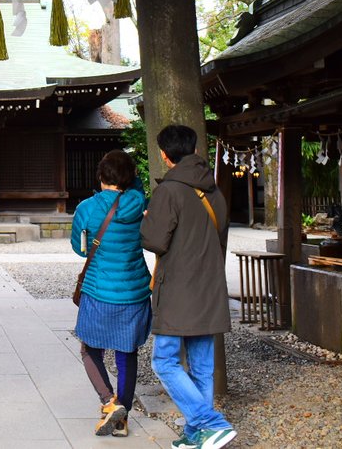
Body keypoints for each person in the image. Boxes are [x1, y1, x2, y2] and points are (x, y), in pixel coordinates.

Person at [141, 125, 236, 449]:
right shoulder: (214, 191)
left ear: (165, 155)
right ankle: (197, 436)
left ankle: (212, 423)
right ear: (193, 149)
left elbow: (154, 240)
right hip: (209, 288)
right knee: (202, 366)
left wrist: (148, 218)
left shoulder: (169, 191)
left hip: (179, 290)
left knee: (164, 361)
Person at [71, 149, 151, 437]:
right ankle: (122, 418)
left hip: (99, 290)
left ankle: (109, 402)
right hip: (134, 291)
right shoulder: (138, 202)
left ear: (101, 176)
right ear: (130, 178)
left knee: (90, 348)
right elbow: (138, 188)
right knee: (126, 351)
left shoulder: (87, 208)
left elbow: (80, 248)